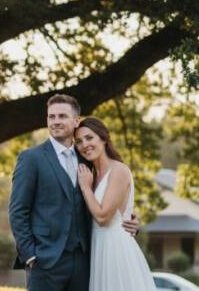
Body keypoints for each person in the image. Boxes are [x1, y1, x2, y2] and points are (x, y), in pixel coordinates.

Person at [9, 94, 140, 291]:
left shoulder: (87, 157)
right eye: (51, 117)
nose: (56, 121)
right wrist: (30, 256)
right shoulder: (31, 158)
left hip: (85, 261)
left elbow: (107, 200)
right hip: (45, 261)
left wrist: (129, 221)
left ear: (75, 120)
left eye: (62, 116)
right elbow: (18, 210)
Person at [74, 116, 156, 291]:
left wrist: (86, 188)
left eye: (89, 138)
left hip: (116, 249)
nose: (84, 145)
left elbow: (103, 217)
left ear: (103, 138)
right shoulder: (91, 175)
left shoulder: (118, 170)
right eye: (79, 141)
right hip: (97, 248)